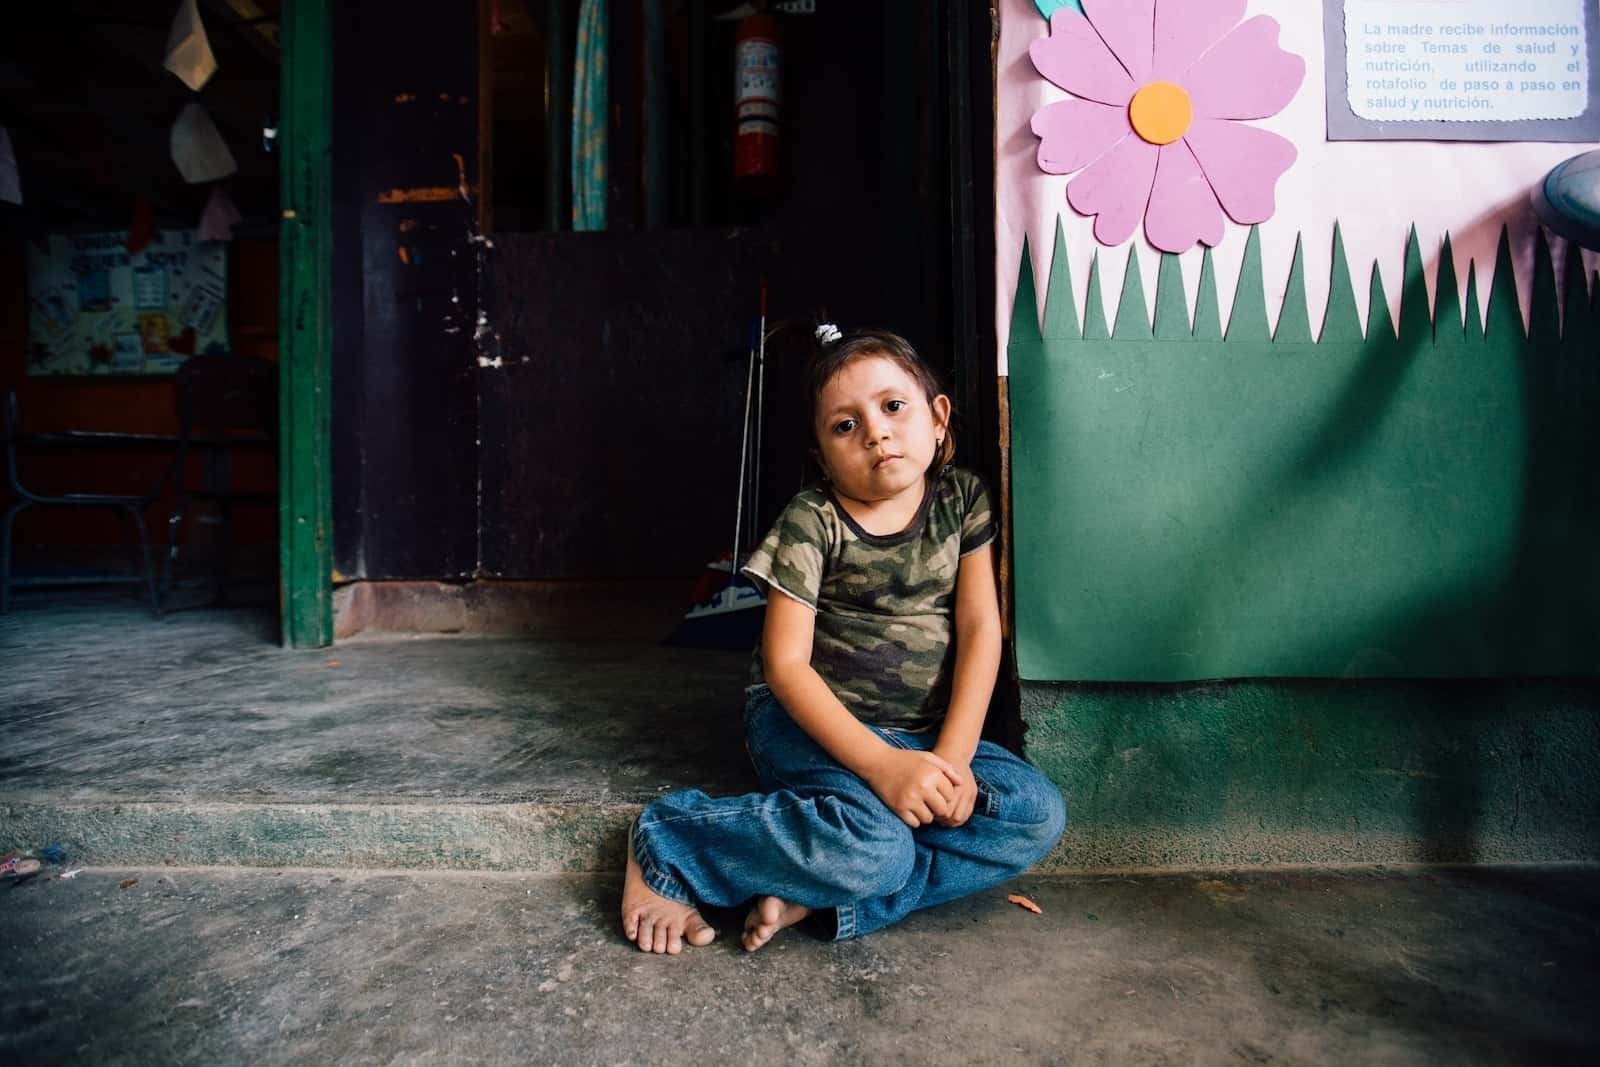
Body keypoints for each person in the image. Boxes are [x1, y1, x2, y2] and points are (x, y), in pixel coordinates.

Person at [620, 327, 1067, 954]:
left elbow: (978, 629)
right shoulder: (813, 520)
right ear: (823, 457)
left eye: (892, 407)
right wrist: (883, 767)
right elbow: (785, 666)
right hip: (809, 724)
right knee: (878, 848)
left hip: (924, 734)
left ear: (938, 419)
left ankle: (821, 894)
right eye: (844, 426)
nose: (875, 432)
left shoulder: (963, 500)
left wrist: (954, 762)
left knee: (1033, 814)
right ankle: (673, 838)